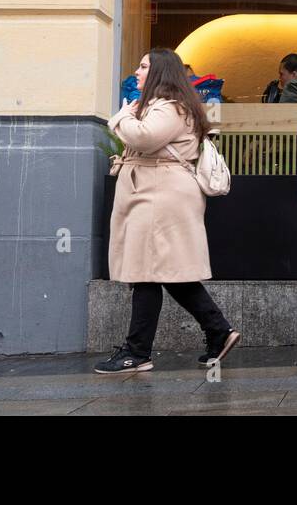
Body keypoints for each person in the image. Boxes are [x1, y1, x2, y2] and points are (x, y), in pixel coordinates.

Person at [96, 48, 240, 373]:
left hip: (160, 195)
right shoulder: (168, 105)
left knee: (149, 272)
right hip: (155, 193)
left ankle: (138, 351)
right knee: (162, 272)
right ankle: (216, 331)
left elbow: (145, 138)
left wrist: (122, 116)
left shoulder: (169, 107)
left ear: (159, 71)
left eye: (143, 65)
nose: (137, 70)